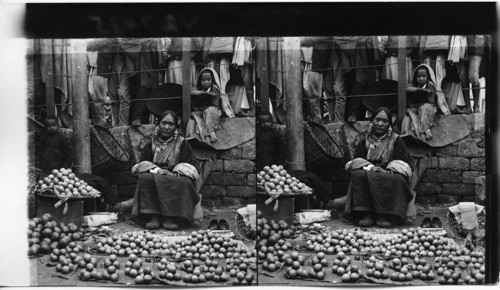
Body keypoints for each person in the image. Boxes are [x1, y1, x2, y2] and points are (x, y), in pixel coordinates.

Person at [344, 107, 414, 228]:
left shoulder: (396, 140)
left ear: (389, 124)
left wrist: (388, 170)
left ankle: (383, 214)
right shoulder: (364, 141)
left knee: (397, 180)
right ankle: (367, 214)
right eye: (378, 120)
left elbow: (406, 163)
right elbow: (356, 160)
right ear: (372, 121)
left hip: (388, 173)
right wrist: (370, 167)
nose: (380, 124)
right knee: (357, 175)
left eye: (385, 121)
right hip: (368, 172)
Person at [130, 110, 200, 230]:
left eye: (171, 124)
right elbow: (141, 164)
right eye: (164, 123)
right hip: (155, 174)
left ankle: (170, 217)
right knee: (144, 178)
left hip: (175, 176)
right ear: (159, 125)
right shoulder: (151, 144)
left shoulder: (182, 143)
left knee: (184, 182)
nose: (167, 127)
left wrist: (175, 173)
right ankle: (155, 216)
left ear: (175, 128)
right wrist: (156, 170)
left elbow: (193, 166)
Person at [34, 115, 119, 208]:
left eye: (53, 125)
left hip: (60, 166)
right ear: (45, 127)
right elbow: (38, 152)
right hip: (47, 165)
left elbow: (68, 154)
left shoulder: (61, 137)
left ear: (58, 125)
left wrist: (65, 168)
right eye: (48, 126)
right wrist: (38, 164)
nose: (51, 128)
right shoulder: (42, 138)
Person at [401, 64, 438, 140]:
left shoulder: (430, 86)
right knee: (409, 115)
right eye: (419, 76)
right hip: (415, 107)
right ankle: (408, 133)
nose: (421, 78)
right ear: (415, 77)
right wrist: (420, 90)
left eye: (424, 76)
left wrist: (417, 106)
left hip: (427, 108)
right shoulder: (413, 85)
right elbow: (406, 88)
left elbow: (431, 103)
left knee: (424, 108)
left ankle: (425, 130)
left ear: (428, 77)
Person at [186, 68, 223, 143]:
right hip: (198, 112)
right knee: (192, 120)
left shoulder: (215, 90)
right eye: (203, 80)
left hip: (211, 113)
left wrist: (201, 110)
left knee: (209, 111)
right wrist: (204, 93)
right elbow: (191, 92)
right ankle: (192, 137)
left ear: (212, 80)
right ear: (200, 80)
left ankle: (210, 133)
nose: (206, 82)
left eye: (208, 80)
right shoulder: (197, 88)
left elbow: (215, 107)